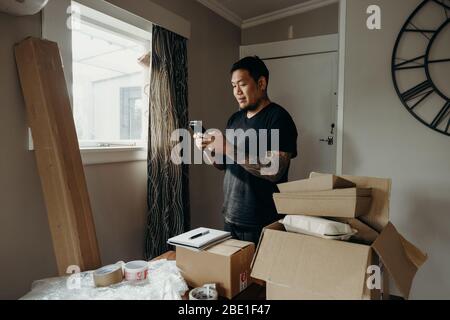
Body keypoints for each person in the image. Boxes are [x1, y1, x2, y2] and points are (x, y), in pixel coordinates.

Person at [194, 56, 298, 244]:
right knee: (235, 274)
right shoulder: (234, 119)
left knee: (260, 273)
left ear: (261, 83)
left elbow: (274, 170)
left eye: (242, 84)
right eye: (233, 86)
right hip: (231, 215)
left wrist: (227, 146)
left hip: (264, 219)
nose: (237, 92)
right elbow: (223, 165)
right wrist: (208, 148)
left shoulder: (279, 118)